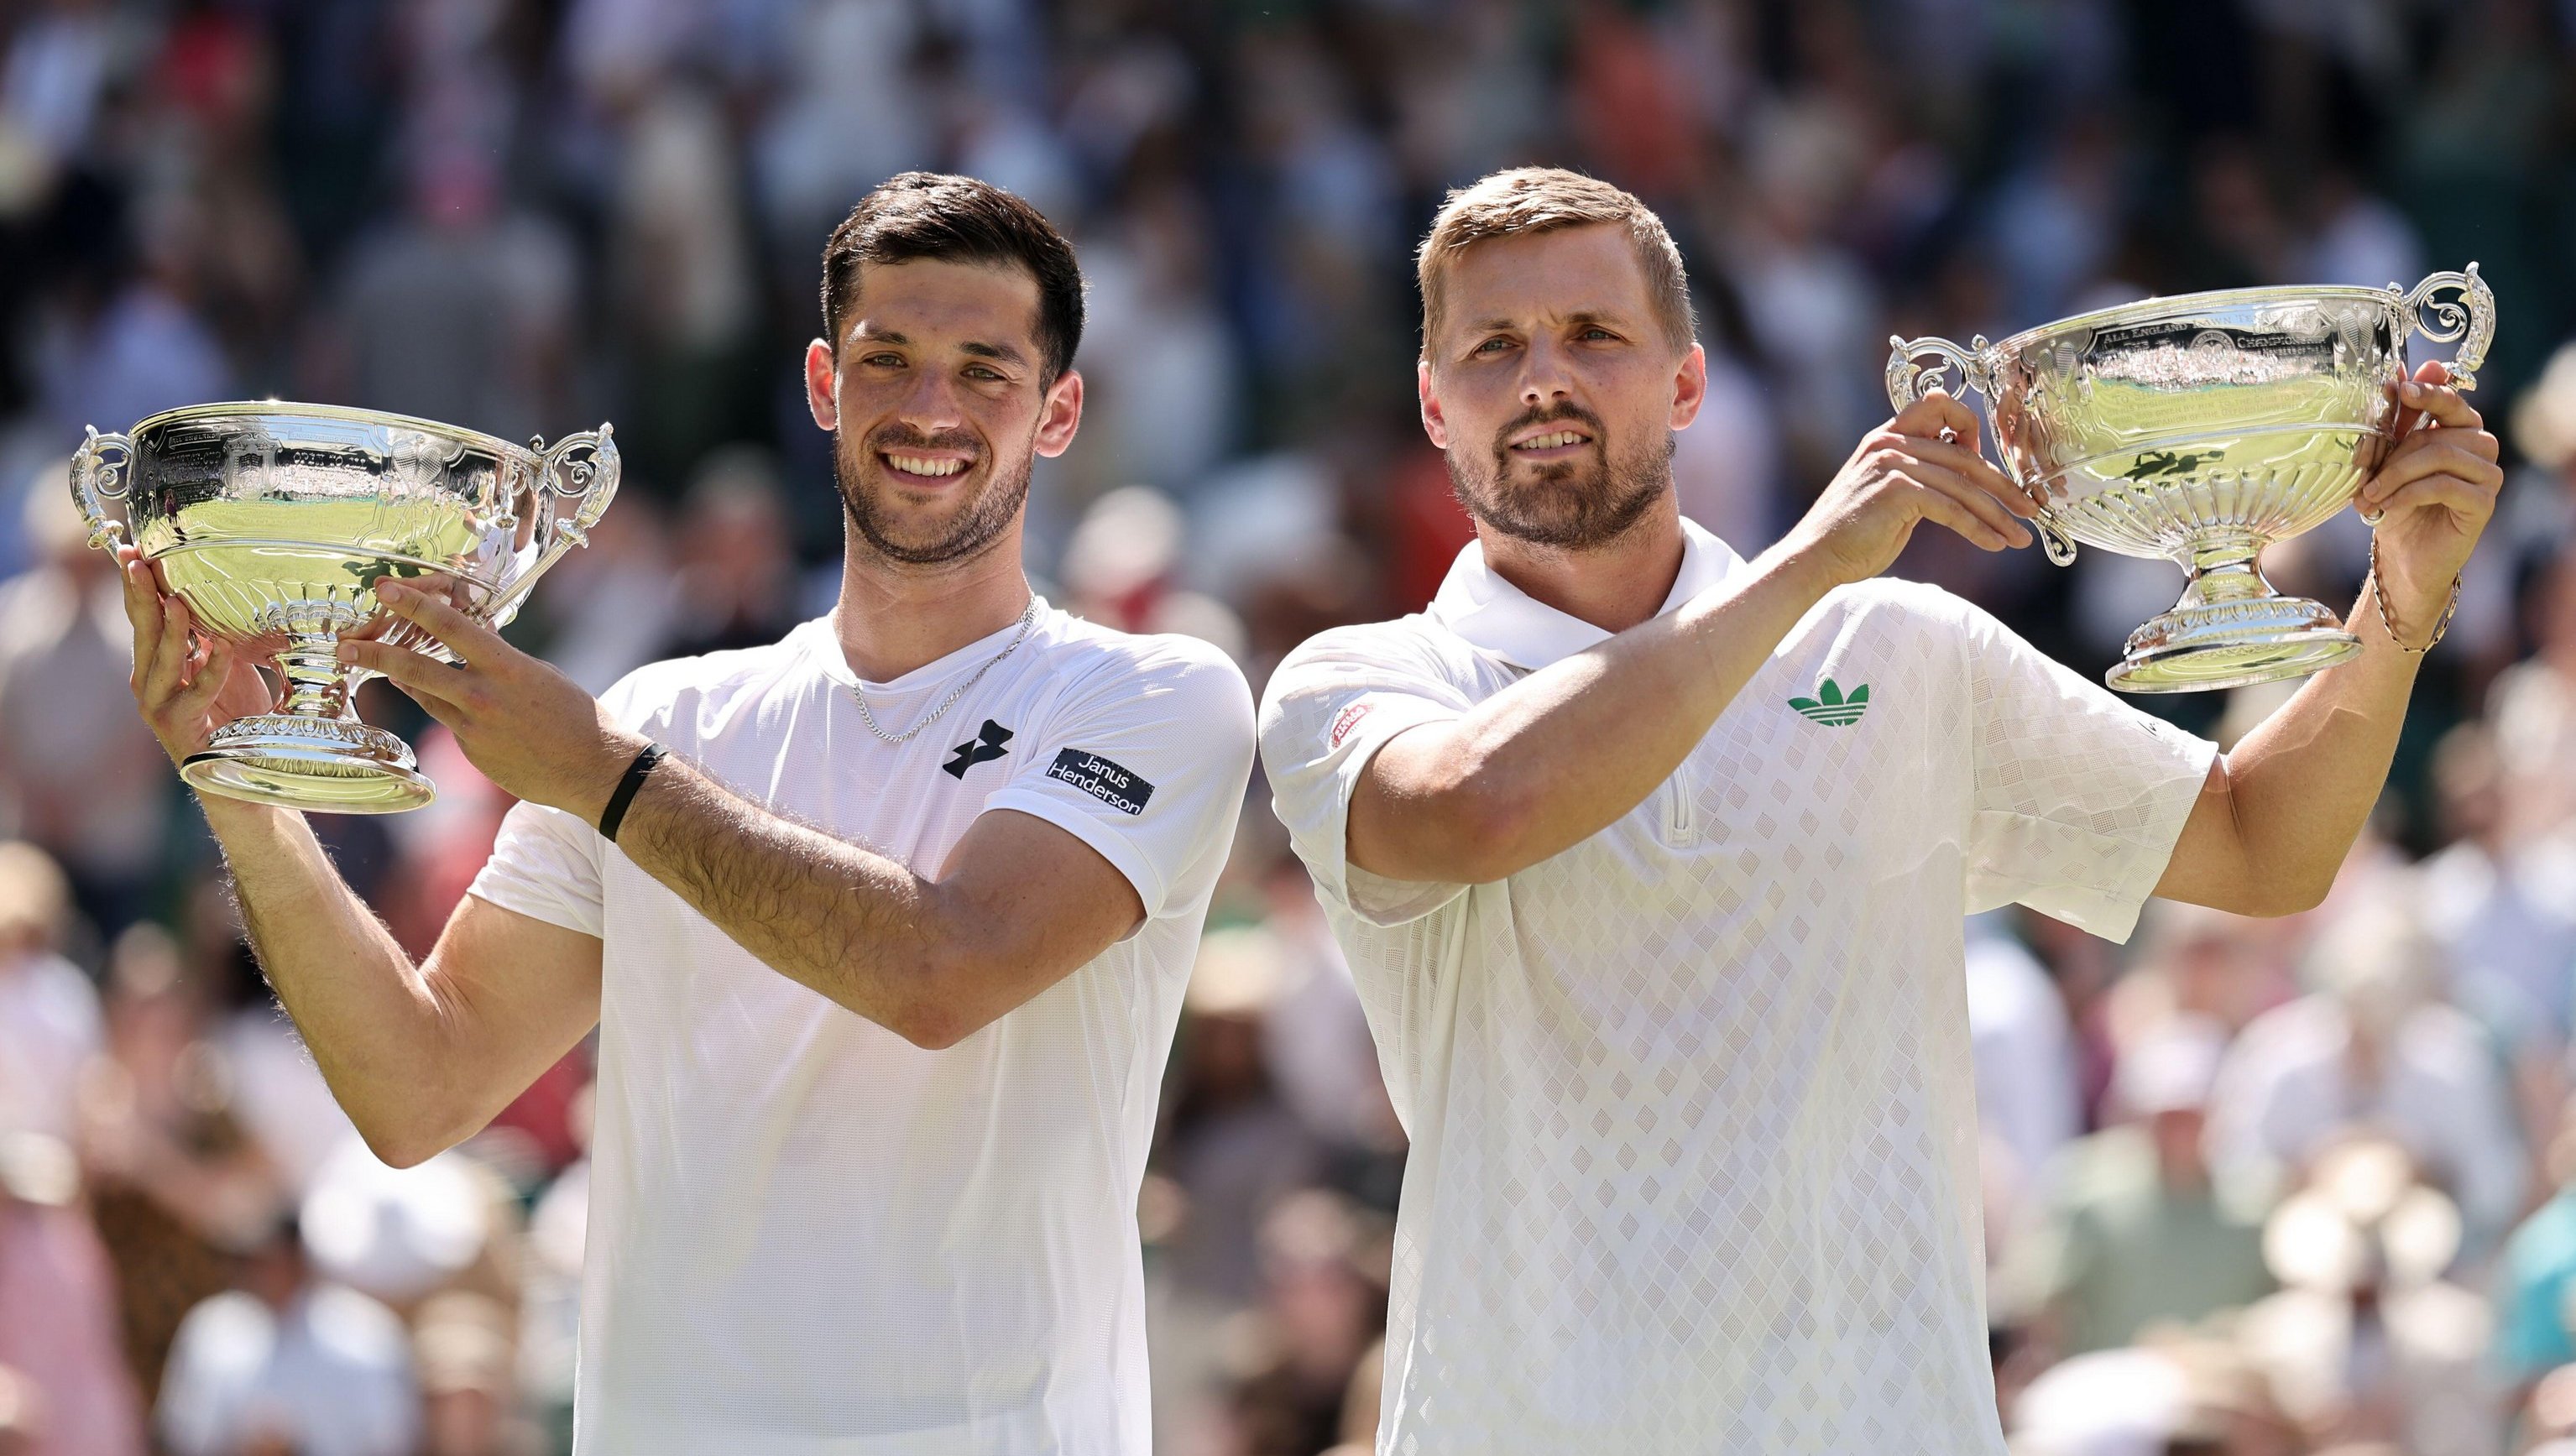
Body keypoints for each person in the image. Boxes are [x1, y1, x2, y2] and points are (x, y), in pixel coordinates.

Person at [1256, 166, 2504, 1453]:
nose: (1540, 380)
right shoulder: (1355, 682)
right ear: (1432, 403)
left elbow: (2263, 850)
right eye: (1493, 348)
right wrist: (1813, 561)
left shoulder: (1898, 651)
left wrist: (2398, 600)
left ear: (1687, 383)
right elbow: (1477, 811)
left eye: (1592, 336)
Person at [117, 172, 1257, 1453]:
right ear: (825, 386)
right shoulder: (657, 717)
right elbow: (416, 1090)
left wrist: (603, 776)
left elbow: (946, 970)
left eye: (984, 370)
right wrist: (238, 781)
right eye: (890, 360)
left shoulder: (1156, 694)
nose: (931, 407)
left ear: (1058, 415)